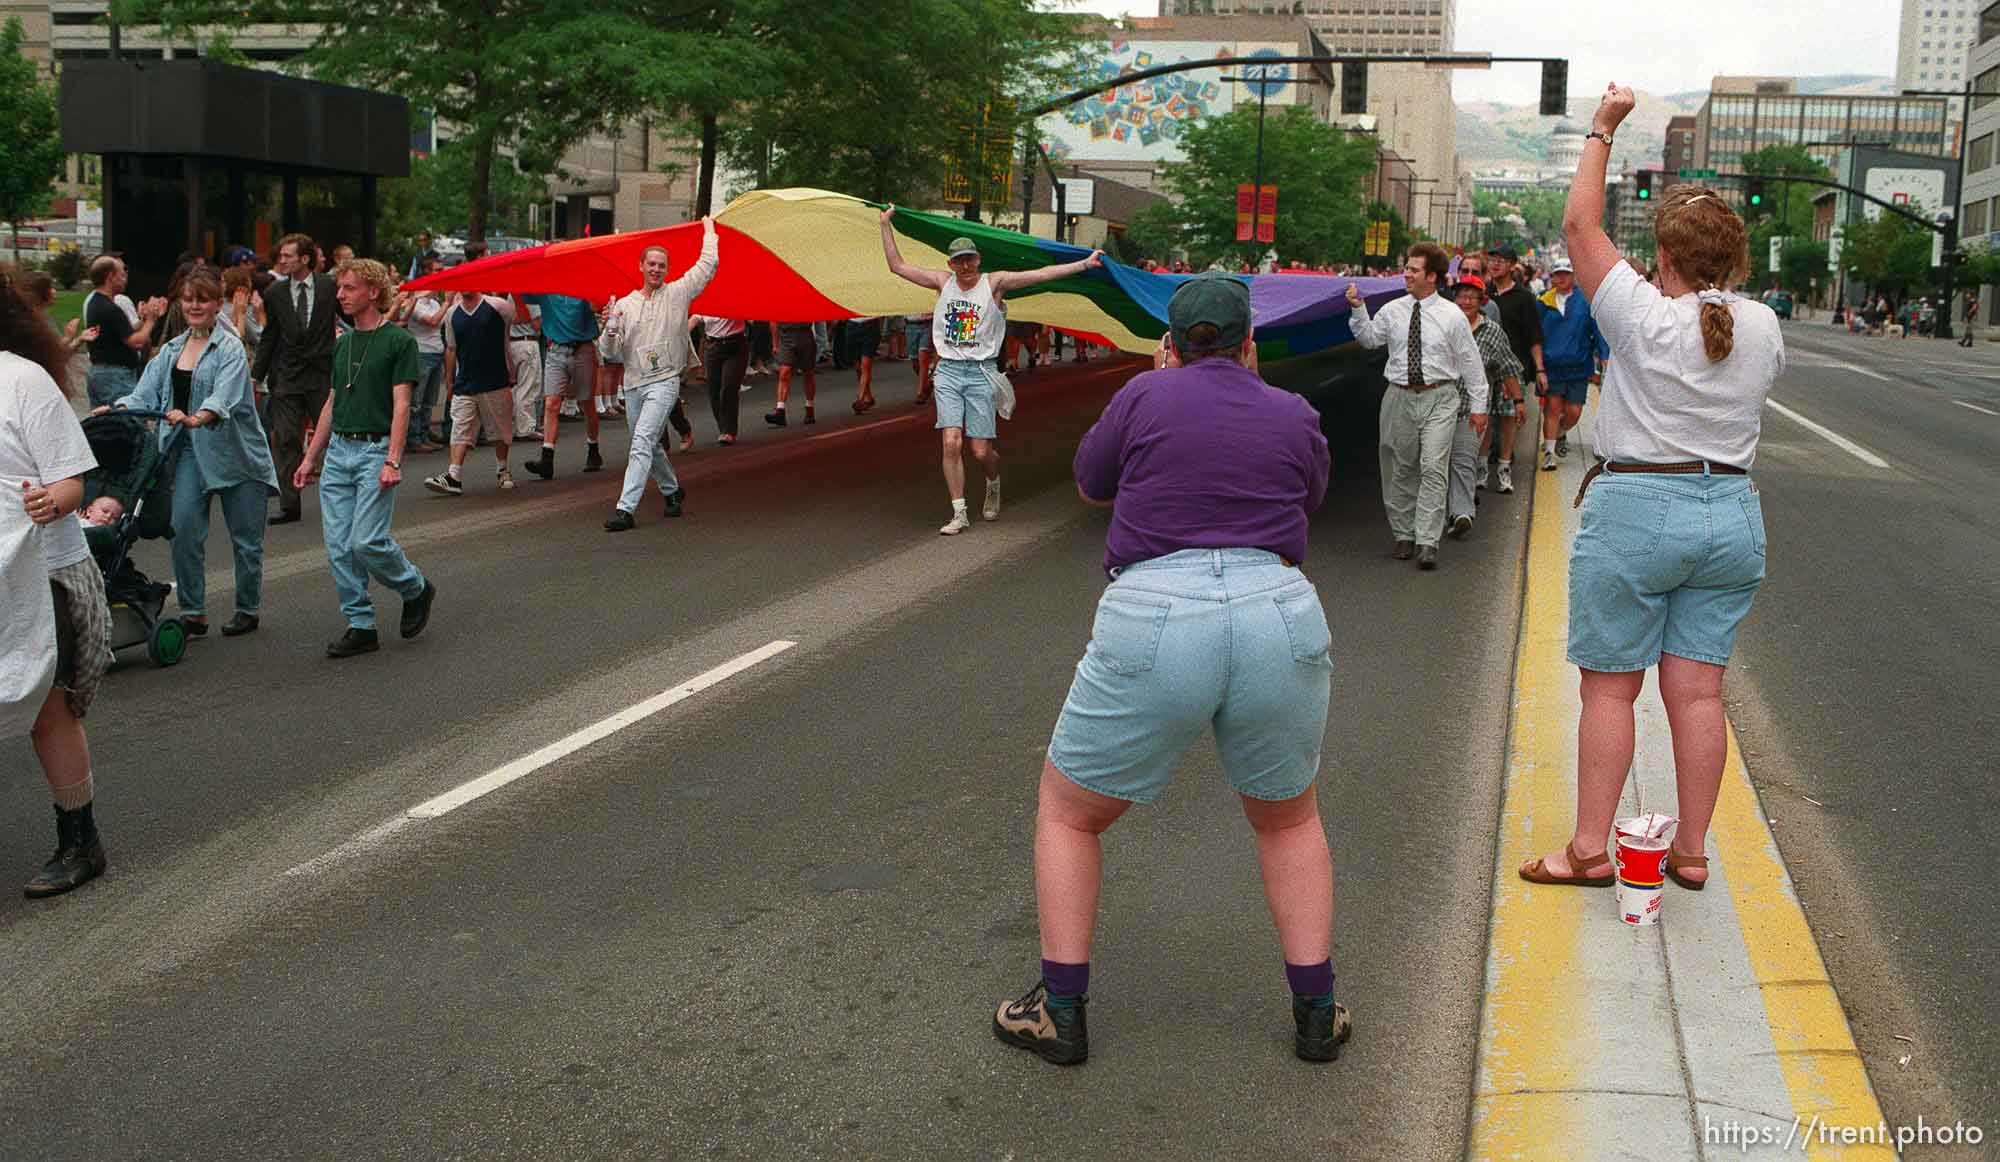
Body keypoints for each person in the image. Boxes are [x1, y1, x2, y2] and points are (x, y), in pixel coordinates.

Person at [992, 273, 1344, 1067]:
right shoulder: (1291, 411)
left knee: (1069, 810)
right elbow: (1310, 492)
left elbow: (1091, 484)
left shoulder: (1144, 394)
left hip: (1156, 612)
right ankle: (1317, 1012)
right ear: (1249, 343)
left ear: (1171, 345)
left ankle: (1062, 1010)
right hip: (1276, 610)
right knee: (1289, 819)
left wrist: (1158, 388)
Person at [1518, 84, 1783, 893]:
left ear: (1662, 256)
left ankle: (1591, 848)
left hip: (1639, 509)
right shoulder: (1766, 325)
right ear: (1735, 261)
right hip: (1731, 515)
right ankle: (1692, 851)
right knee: (1699, 692)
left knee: (1610, 690)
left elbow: (1579, 228)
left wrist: (1601, 128)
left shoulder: (1638, 313)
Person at [878, 208, 1102, 534]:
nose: (965, 266)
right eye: (958, 261)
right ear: (950, 264)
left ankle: (993, 481)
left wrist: (1083, 264)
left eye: (970, 259)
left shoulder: (994, 283)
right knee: (951, 442)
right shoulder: (942, 282)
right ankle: (959, 512)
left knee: (980, 450)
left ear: (978, 259)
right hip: (949, 373)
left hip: (982, 373)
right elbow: (897, 266)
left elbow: (1041, 274)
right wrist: (885, 225)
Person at [2, 268, 113, 897]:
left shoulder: (24, 380)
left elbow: (74, 480)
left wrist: (51, 500)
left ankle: (80, 843)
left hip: (39, 572)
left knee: (49, 709)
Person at [100, 267, 278, 638]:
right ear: (180, 303)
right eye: (188, 299)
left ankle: (247, 607)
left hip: (236, 453)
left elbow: (224, 398)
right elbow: (143, 394)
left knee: (246, 539)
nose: (195, 306)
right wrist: (117, 408)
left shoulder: (230, 348)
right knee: (183, 530)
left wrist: (198, 416)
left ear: (218, 304)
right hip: (187, 452)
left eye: (203, 299)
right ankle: (194, 611)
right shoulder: (171, 349)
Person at [294, 258, 436, 659]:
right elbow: (332, 402)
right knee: (339, 546)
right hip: (339, 451)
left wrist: (393, 460)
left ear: (373, 292)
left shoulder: (399, 341)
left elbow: (402, 404)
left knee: (367, 540)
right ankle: (360, 624)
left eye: (348, 288)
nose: (340, 295)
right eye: (339, 288)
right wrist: (310, 458)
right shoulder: (342, 343)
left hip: (375, 450)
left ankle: (414, 587)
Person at [1345, 244, 1490, 570]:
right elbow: (1369, 339)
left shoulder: (1452, 316)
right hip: (1398, 397)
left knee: (1433, 466)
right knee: (1400, 467)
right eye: (1406, 268)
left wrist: (1479, 408)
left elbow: (1471, 364)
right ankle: (1403, 534)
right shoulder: (1393, 310)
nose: (1406, 274)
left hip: (1440, 397)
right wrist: (1358, 309)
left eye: (1413, 269)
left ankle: (1427, 541)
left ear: (1432, 276)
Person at [598, 220, 720, 531]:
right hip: (634, 383)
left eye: (661, 265)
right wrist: (609, 328)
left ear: (667, 269)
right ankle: (672, 490)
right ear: (640, 267)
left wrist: (709, 230)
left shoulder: (678, 293)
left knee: (641, 441)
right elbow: (610, 351)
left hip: (665, 380)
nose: (656, 269)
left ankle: (625, 509)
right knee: (649, 445)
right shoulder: (624, 304)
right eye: (651, 264)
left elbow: (708, 264)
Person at [254, 233, 338, 524]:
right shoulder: (275, 293)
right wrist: (256, 375)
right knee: (286, 438)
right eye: (281, 256)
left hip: (322, 374)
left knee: (334, 437)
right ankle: (289, 505)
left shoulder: (330, 287)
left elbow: (352, 318)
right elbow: (270, 336)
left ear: (305, 259)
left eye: (288, 256)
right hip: (288, 376)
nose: (282, 260)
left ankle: (342, 498)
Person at [1447, 274, 1523, 540]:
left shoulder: (1492, 332)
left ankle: (1462, 513)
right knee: (1435, 464)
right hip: (1437, 407)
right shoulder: (1442, 324)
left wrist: (1518, 401)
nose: (1466, 301)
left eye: (1472, 296)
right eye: (1461, 295)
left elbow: (1507, 367)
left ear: (1482, 301)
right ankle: (1438, 516)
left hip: (1472, 408)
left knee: (1464, 460)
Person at [424, 288, 519, 495]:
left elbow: (514, 325)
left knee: (499, 428)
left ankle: (503, 469)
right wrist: (449, 381)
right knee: (460, 426)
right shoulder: (452, 314)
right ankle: (454, 475)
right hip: (465, 380)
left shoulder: (498, 306)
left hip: (495, 379)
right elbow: (451, 348)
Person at [521, 293, 606, 476]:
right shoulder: (546, 291)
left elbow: (595, 305)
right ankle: (547, 458)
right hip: (556, 350)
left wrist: (594, 302)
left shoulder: (580, 287)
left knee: (587, 403)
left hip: (582, 349)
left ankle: (593, 448)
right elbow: (522, 292)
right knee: (552, 403)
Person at [1537, 258, 1609, 470]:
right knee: (1552, 408)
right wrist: (1537, 366)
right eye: (1557, 274)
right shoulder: (1544, 300)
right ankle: (1549, 453)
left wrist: (1604, 355)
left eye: (1565, 274)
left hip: (1578, 367)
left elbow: (1598, 332)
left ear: (1573, 276)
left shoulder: (1585, 301)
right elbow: (1535, 334)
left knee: (1574, 412)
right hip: (1552, 367)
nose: (1561, 278)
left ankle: (1559, 433)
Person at [1485, 244, 1545, 495]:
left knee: (1509, 418)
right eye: (1492, 260)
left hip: (1514, 368)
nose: (1495, 264)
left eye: (1501, 260)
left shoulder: (1524, 298)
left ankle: (1504, 468)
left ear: (1512, 265)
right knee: (1485, 417)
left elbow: (1534, 336)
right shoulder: (1483, 294)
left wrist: (1540, 370)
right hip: (1485, 368)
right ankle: (1480, 468)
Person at [82, 255, 163, 409]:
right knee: (128, 423)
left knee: (105, 426)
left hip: (100, 373)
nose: (125, 279)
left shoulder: (96, 302)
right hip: (115, 376)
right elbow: (136, 341)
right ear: (110, 277)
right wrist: (152, 319)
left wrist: (142, 320)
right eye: (122, 275)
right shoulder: (109, 308)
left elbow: (121, 333)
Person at [390, 256, 448, 451]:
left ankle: (424, 435)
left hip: (437, 353)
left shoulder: (434, 302)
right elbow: (432, 321)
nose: (441, 274)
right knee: (417, 400)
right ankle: (414, 439)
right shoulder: (417, 303)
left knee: (430, 400)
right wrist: (448, 303)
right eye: (437, 270)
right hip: (422, 353)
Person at [691, 313, 747, 445]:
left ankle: (729, 431)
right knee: (714, 389)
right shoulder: (706, 302)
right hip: (713, 346)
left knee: (729, 386)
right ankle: (723, 428)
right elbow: (694, 319)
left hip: (735, 345)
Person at [766, 321, 819, 425]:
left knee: (808, 372)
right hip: (786, 335)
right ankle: (780, 410)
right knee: (784, 371)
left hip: (805, 333)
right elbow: (773, 320)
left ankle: (810, 407)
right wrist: (775, 344)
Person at [849, 316, 882, 413]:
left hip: (870, 325)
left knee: (865, 365)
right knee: (858, 367)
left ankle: (860, 399)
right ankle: (868, 397)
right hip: (852, 325)